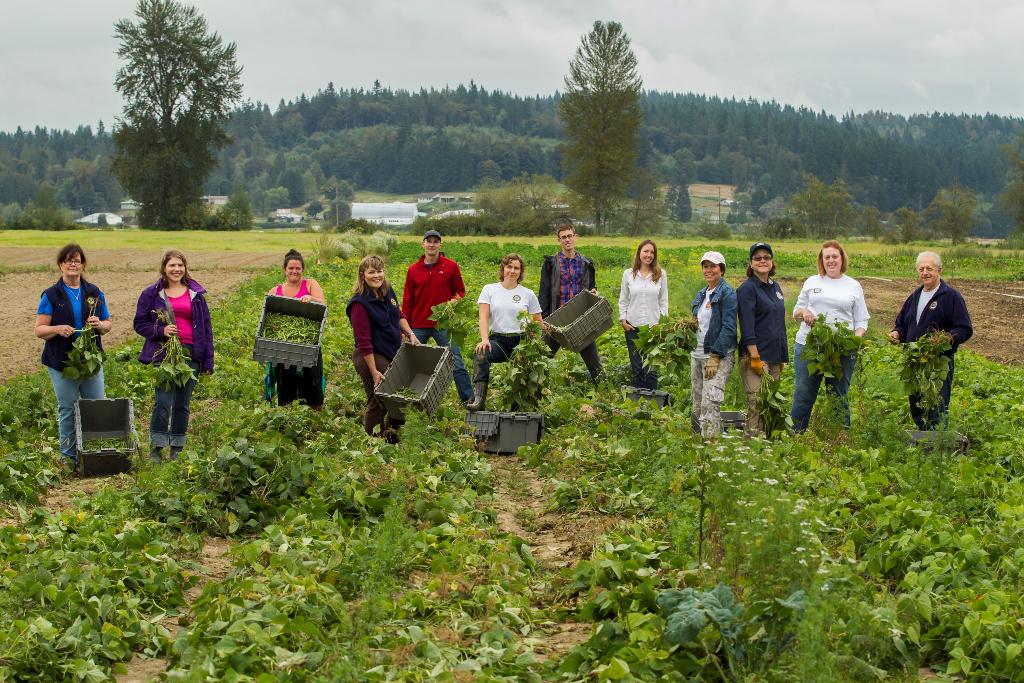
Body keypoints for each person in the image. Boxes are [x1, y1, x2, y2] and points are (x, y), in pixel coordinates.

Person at [34, 244, 112, 467]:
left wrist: (99, 324)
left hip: (90, 360)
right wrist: (57, 329)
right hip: (61, 361)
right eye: (68, 260)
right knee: (67, 408)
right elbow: (39, 330)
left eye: (77, 260)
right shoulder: (51, 295)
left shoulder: (94, 293)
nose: (72, 264)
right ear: (60, 265)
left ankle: (95, 454)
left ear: (83, 265)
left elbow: (108, 325)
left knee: (96, 405)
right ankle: (68, 459)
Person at [134, 250, 214, 463]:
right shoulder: (152, 294)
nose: (176, 269)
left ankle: (177, 448)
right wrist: (161, 331)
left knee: (182, 403)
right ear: (164, 268)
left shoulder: (195, 295)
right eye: (172, 266)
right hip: (165, 354)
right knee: (163, 402)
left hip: (191, 353)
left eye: (180, 265)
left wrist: (207, 361)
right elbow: (139, 323)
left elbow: (207, 329)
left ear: (185, 268)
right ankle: (157, 447)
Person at [790, 240, 870, 432]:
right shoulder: (812, 281)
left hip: (841, 349)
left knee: (838, 394)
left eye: (835, 256)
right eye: (827, 257)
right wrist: (805, 313)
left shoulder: (853, 285)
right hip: (810, 347)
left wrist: (855, 340)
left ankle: (840, 437)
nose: (831, 260)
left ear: (842, 258)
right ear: (822, 260)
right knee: (803, 393)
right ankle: (795, 436)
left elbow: (861, 321)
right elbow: (796, 311)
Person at [889, 251, 973, 429]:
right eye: (921, 269)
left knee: (937, 405)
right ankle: (923, 441)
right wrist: (897, 333)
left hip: (938, 362)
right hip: (915, 361)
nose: (925, 272)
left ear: (939, 270)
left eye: (929, 268)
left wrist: (948, 338)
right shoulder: (915, 296)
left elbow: (964, 328)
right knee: (917, 404)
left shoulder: (951, 296)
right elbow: (902, 323)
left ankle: (938, 446)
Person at [346, 255, 419, 444]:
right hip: (370, 355)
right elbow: (364, 342)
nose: (377, 275)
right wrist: (374, 371)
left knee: (399, 393)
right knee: (379, 398)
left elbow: (399, 315)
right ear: (362, 275)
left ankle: (391, 437)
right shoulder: (359, 304)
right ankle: (374, 443)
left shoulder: (387, 291)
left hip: (392, 351)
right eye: (371, 272)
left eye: (379, 271)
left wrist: (410, 333)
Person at [401, 229, 473, 405]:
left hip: (443, 323)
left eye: (435, 241)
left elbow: (460, 290)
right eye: (429, 241)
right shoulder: (413, 270)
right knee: (411, 361)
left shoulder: (450, 266)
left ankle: (469, 399)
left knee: (454, 360)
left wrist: (454, 301)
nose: (432, 244)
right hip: (419, 323)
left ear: (440, 244)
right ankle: (407, 399)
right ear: (423, 244)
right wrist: (406, 328)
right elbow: (408, 300)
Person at [466, 253, 543, 411]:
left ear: (521, 272)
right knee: (482, 354)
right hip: (499, 341)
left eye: (516, 268)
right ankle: (479, 400)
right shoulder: (490, 289)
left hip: (521, 342)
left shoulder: (528, 294)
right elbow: (483, 316)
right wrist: (484, 339)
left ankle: (515, 410)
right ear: (503, 269)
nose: (512, 271)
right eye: (509, 267)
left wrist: (534, 338)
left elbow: (538, 321)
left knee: (522, 372)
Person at [736, 242, 788, 437]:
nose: (762, 261)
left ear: (772, 261)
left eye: (766, 257)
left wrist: (782, 357)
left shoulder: (776, 288)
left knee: (770, 403)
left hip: (774, 356)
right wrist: (755, 356)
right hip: (755, 357)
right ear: (751, 263)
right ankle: (751, 449)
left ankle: (766, 448)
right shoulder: (747, 289)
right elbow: (747, 325)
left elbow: (778, 324)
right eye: (757, 258)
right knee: (756, 403)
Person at [539, 223, 602, 381]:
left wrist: (594, 292)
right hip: (556, 320)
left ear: (575, 237)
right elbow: (544, 293)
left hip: (580, 320)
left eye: (570, 236)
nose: (567, 240)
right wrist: (543, 320)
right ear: (558, 240)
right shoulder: (550, 263)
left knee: (595, 365)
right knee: (541, 361)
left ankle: (604, 390)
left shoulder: (586, 264)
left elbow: (591, 288)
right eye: (563, 237)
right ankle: (533, 390)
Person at [266, 249, 326, 409]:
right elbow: (267, 316)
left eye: (298, 268)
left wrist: (311, 298)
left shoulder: (310, 284)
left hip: (308, 345)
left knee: (312, 384)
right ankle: (288, 417)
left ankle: (315, 420)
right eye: (291, 268)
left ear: (302, 270)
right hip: (282, 348)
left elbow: (323, 305)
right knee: (285, 386)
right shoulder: (275, 291)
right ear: (285, 270)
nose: (294, 271)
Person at [689, 251, 737, 437]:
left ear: (721, 270)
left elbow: (729, 328)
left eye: (713, 266)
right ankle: (696, 442)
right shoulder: (702, 294)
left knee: (710, 402)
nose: (708, 270)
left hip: (716, 356)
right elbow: (698, 322)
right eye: (705, 266)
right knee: (698, 401)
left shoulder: (727, 293)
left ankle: (711, 447)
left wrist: (715, 356)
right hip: (697, 354)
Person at [618, 239, 668, 389]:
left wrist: (662, 323)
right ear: (639, 253)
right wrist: (623, 320)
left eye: (652, 252)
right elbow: (623, 299)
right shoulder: (628, 274)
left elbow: (664, 301)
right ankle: (639, 403)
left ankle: (653, 405)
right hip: (633, 327)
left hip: (653, 328)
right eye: (646, 251)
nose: (649, 255)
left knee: (652, 368)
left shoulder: (660, 274)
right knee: (637, 369)